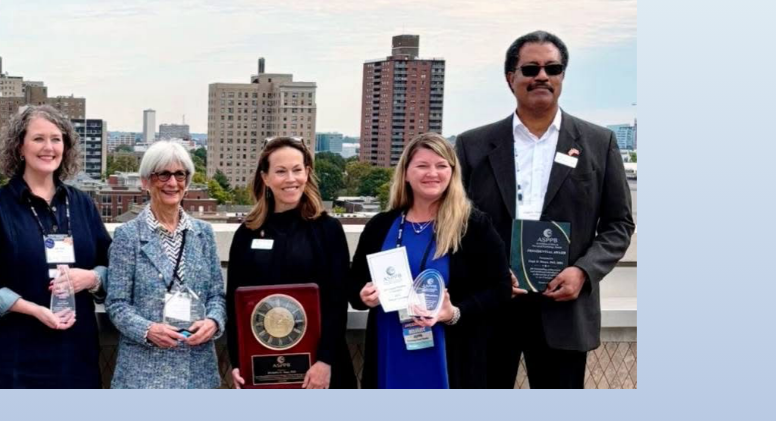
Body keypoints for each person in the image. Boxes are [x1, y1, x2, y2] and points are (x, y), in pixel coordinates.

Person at [455, 30, 635, 389]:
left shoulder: (599, 143)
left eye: (553, 68)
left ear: (562, 77)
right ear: (511, 78)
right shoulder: (473, 144)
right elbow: (454, 222)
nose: (542, 76)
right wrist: (486, 273)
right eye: (530, 68)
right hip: (493, 305)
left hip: (565, 309)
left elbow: (618, 224)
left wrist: (584, 272)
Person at [0, 105, 111, 388]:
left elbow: (115, 266)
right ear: (19, 146)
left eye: (56, 139)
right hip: (12, 354)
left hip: (74, 352)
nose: (49, 147)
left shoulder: (82, 205)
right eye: (38, 139)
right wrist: (33, 309)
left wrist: (90, 279)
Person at [348, 133, 510, 388]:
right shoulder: (381, 226)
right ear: (406, 173)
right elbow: (354, 284)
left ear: (452, 173)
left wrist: (454, 313)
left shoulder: (474, 226)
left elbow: (501, 289)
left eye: (441, 165)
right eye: (422, 165)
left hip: (450, 352)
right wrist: (363, 295)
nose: (432, 173)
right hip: (390, 348)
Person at [226, 137, 356, 389]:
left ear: (307, 173)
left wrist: (325, 361)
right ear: (265, 177)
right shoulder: (248, 233)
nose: (290, 179)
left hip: (320, 368)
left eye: (297, 170)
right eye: (281, 171)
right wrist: (237, 361)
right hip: (261, 364)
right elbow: (235, 303)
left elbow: (337, 301)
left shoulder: (328, 229)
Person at [106, 141, 226, 388]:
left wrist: (213, 322)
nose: (172, 183)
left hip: (198, 370)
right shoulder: (128, 236)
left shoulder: (203, 234)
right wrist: (148, 330)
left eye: (179, 174)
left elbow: (217, 296)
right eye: (163, 174)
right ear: (146, 181)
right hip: (144, 371)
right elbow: (117, 304)